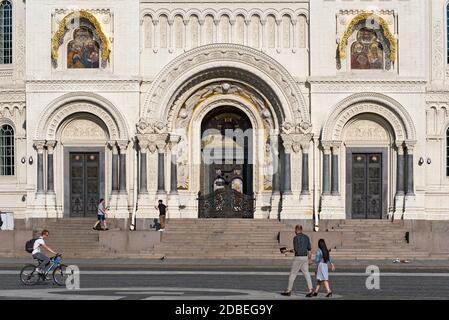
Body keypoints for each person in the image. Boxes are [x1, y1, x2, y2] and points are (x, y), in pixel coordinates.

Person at [281, 225, 314, 297]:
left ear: (296, 230)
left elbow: (296, 250)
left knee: (293, 274)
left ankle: (288, 290)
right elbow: (309, 249)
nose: (294, 231)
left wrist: (286, 250)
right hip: (305, 257)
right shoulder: (306, 237)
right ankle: (311, 289)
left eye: (295, 230)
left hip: (298, 258)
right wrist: (310, 259)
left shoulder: (295, 238)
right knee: (307, 274)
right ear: (301, 230)